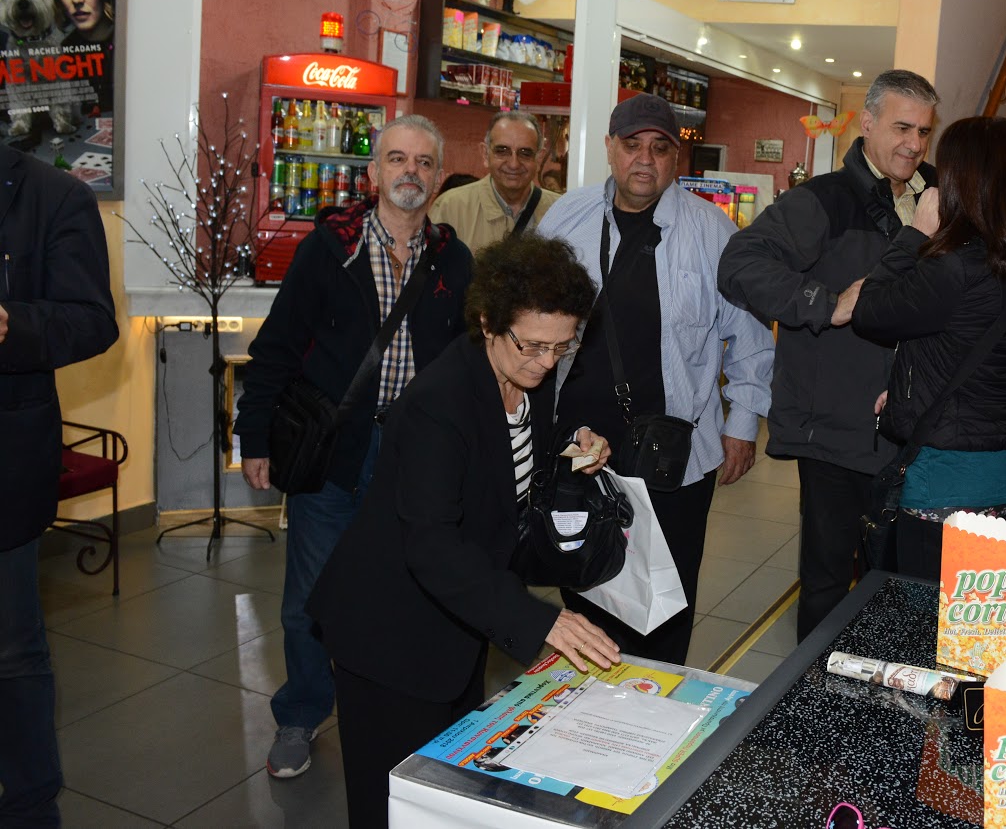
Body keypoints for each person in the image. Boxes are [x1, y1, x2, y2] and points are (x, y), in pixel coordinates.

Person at [307, 236, 621, 829]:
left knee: (445, 796)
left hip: (458, 620)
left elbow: (504, 470)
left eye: (562, 345)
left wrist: (572, 448)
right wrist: (540, 620)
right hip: (388, 632)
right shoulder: (439, 402)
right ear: (487, 322)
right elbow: (431, 543)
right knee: (391, 803)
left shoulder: (527, 381)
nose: (546, 362)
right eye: (532, 345)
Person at [235, 114, 471, 780]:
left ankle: (402, 709)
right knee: (310, 597)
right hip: (334, 452)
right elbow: (277, 347)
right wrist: (254, 435)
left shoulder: (454, 260)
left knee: (413, 589)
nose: (409, 172)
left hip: (416, 457)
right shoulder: (329, 249)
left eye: (423, 162)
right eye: (397, 159)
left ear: (439, 177)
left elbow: (469, 365)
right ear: (373, 173)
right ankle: (301, 712)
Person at [537, 93, 773, 664]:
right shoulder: (566, 217)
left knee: (665, 602)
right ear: (610, 148)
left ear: (676, 158)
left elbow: (749, 337)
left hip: (672, 455)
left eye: (659, 147)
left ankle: (655, 699)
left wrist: (741, 426)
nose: (644, 159)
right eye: (632, 144)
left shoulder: (712, 232)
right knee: (583, 585)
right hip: (577, 447)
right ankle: (586, 698)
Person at [718, 69, 939, 639]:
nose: (914, 144)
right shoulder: (823, 200)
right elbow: (740, 264)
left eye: (923, 131)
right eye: (902, 127)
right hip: (835, 434)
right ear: (867, 123)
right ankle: (812, 689)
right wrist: (826, 303)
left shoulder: (936, 199)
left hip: (911, 429)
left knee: (899, 587)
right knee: (827, 584)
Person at [852, 116, 1006, 579]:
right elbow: (974, 352)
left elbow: (869, 311)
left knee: (923, 615)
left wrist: (914, 234)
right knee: (978, 615)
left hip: (946, 481)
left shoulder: (957, 267)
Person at [0, 143, 118, 827]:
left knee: (11, 653)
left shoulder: (53, 195)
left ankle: (29, 805)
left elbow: (92, 319)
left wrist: (12, 324)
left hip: (5, 470)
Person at [429, 113, 562, 253]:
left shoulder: (560, 211)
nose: (514, 164)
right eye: (502, 151)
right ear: (485, 154)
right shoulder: (451, 208)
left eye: (525, 153)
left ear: (539, 158)